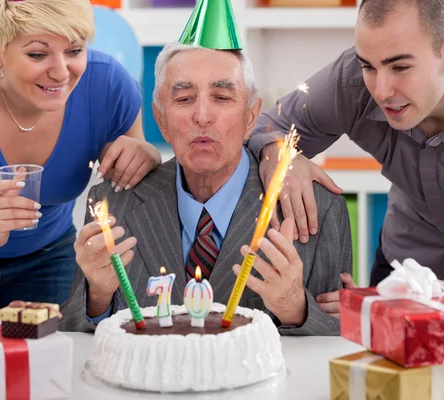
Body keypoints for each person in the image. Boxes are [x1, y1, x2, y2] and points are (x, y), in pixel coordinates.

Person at [59, 12, 353, 334]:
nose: (202, 116)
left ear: (251, 116)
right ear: (161, 120)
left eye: (222, 97)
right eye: (184, 98)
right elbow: (74, 332)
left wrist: (296, 308)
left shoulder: (317, 208)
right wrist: (98, 295)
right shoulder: (112, 205)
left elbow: (337, 341)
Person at [0, 0, 162, 329]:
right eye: (38, 54)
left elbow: (131, 192)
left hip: (45, 256)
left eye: (75, 50)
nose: (61, 72)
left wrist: (148, 157)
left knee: (42, 370)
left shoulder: (108, 86)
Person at [248, 0, 444, 313]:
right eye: (368, 66)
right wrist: (280, 154)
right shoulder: (352, 81)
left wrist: (387, 303)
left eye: (400, 67)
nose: (380, 91)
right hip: (405, 261)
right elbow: (268, 124)